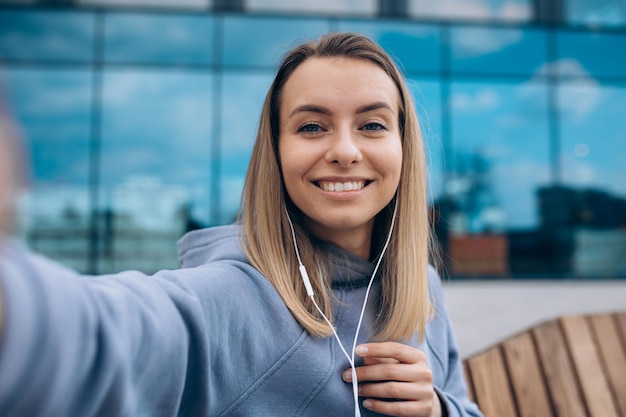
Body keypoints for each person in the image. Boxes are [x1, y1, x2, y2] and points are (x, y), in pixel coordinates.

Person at [0, 32, 483, 417]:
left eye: (372, 125)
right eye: (312, 126)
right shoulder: (231, 296)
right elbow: (104, 334)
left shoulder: (422, 285)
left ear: (404, 148)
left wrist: (439, 409)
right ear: (275, 152)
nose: (344, 150)